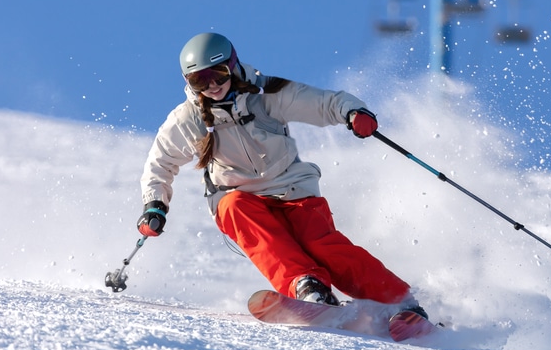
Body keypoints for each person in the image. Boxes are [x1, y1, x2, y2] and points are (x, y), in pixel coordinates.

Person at [137, 32, 426, 320]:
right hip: (241, 197)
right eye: (201, 80)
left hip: (293, 190)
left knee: (322, 246)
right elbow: (159, 164)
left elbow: (321, 102)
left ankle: (399, 302)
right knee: (235, 208)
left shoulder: (266, 94)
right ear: (188, 82)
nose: (212, 86)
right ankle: (307, 287)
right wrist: (155, 205)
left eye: (220, 74)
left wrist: (352, 112)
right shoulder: (187, 120)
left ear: (233, 66)